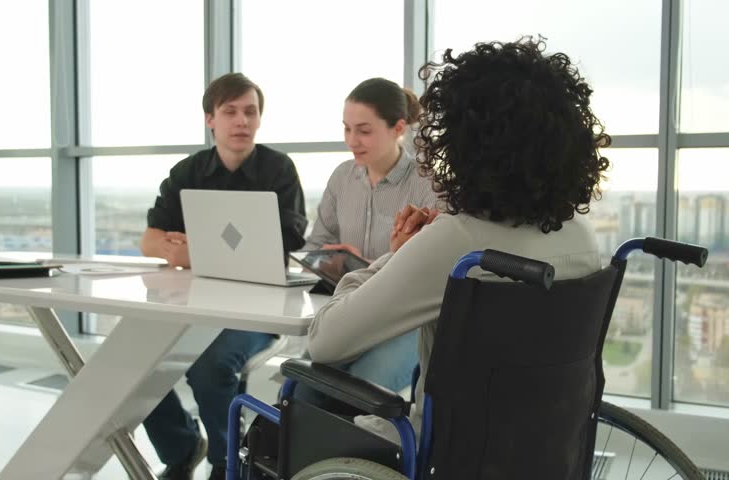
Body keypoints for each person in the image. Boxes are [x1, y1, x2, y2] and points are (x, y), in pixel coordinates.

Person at [306, 37, 611, 440]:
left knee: (297, 400)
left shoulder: (458, 243)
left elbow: (325, 341)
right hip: (544, 443)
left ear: (466, 144)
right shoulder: (582, 236)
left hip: (441, 449)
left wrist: (400, 255)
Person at [140, 72, 307, 480]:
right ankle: (181, 446)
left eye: (250, 112)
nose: (242, 121)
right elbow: (149, 240)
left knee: (210, 367)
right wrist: (172, 249)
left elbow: (279, 247)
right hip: (194, 304)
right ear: (209, 119)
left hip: (257, 310)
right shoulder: (188, 171)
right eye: (230, 111)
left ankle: (228, 461)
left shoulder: (278, 170)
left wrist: (190, 253)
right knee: (138, 361)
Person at [300, 77, 437, 398]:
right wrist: (329, 260)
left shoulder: (426, 183)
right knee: (303, 389)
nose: (352, 140)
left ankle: (347, 449)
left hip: (406, 320)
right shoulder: (342, 178)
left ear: (397, 128)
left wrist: (369, 264)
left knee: (358, 389)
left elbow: (430, 270)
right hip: (352, 307)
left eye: (363, 131)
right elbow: (314, 246)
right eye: (347, 129)